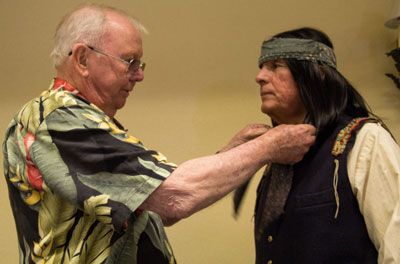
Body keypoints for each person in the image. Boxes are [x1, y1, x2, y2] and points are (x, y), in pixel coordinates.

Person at [2, 5, 316, 264]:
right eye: (130, 62)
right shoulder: (60, 121)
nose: (139, 75)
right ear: (83, 59)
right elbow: (175, 197)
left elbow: (154, 205)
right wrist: (269, 147)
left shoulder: (87, 121)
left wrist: (233, 153)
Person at [238, 27, 399, 263]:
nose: (260, 77)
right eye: (262, 67)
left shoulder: (366, 142)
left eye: (275, 66)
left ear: (318, 73)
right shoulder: (279, 158)